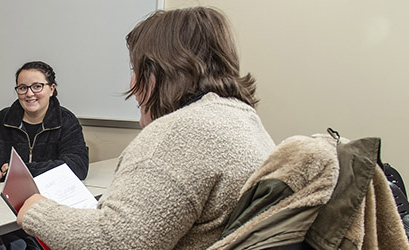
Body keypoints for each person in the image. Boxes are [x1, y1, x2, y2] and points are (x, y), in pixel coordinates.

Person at [15, 7, 276, 249]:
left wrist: (38, 212)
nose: (132, 83)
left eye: (136, 68)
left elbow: (119, 241)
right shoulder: (243, 119)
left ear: (159, 71)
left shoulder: (177, 133)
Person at [0, 61, 89, 187]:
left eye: (37, 86)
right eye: (23, 88)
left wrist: (21, 170)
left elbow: (77, 166)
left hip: (49, 195)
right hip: (2, 196)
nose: (29, 93)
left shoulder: (66, 121)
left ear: (51, 89)